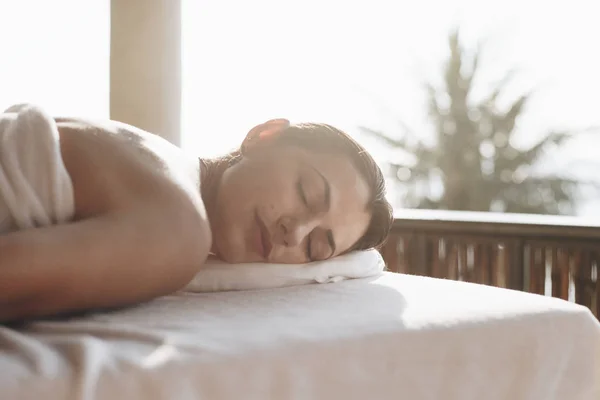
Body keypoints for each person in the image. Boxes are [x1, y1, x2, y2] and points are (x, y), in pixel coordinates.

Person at [0, 116, 393, 322]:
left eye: (315, 247)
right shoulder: (178, 228)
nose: (295, 232)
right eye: (307, 192)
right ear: (264, 135)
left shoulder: (151, 157)